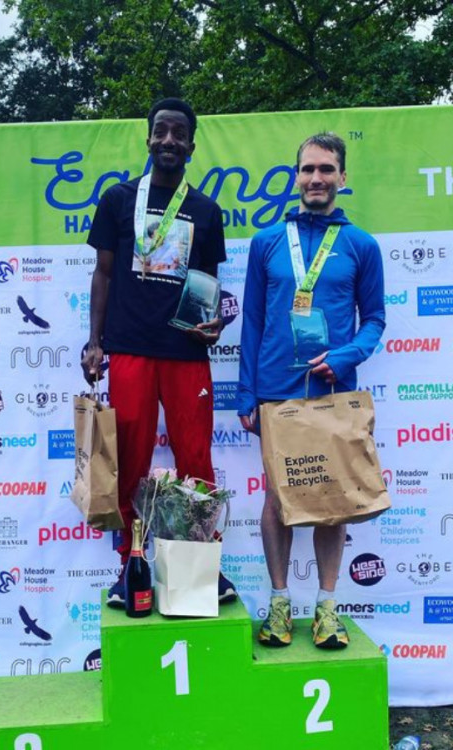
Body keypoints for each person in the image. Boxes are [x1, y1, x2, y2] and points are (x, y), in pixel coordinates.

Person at [81, 98, 234, 608]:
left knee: (196, 461)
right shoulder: (118, 199)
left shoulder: (207, 211)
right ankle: (133, 565)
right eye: (160, 132)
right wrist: (95, 341)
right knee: (129, 461)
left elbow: (209, 285)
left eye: (179, 134)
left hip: (186, 353)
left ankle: (203, 566)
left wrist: (214, 323)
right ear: (148, 139)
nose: (169, 140)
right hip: (129, 349)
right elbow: (103, 274)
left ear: (191, 144)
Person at [238, 132, 385, 650]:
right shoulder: (267, 242)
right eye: (308, 170)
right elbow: (252, 321)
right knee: (278, 499)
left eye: (327, 169)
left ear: (343, 177)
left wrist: (346, 355)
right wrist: (245, 392)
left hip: (332, 390)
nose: (316, 179)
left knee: (332, 502)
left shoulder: (361, 245)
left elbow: (375, 321)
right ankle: (279, 603)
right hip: (276, 392)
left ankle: (326, 607)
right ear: (296, 176)